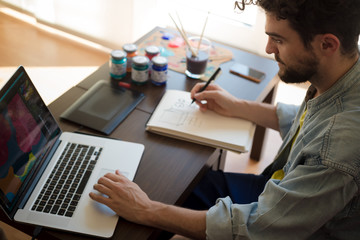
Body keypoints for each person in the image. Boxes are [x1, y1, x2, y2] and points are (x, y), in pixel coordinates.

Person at [89, 0, 360, 239]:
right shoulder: (342, 75)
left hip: (299, 230)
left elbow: (257, 228)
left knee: (144, 216)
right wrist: (237, 106)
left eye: (278, 40)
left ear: (327, 44)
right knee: (174, 186)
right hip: (279, 189)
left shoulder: (337, 147)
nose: (268, 49)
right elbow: (305, 121)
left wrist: (147, 211)